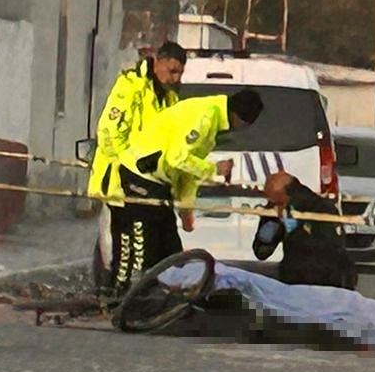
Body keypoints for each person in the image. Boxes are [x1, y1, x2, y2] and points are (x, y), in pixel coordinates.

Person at [111, 87, 263, 288]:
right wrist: (215, 169)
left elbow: (187, 172)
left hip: (159, 180)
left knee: (170, 244)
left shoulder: (214, 119)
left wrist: (185, 209)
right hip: (140, 173)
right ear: (241, 120)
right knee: (146, 242)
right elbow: (178, 158)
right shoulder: (206, 116)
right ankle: (125, 294)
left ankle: (168, 292)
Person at [92, 42, 187, 297]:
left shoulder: (169, 98)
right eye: (171, 71)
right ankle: (120, 297)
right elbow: (108, 132)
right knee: (130, 251)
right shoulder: (131, 87)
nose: (175, 78)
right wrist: (131, 169)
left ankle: (166, 294)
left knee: (167, 245)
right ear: (157, 62)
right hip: (125, 184)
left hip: (156, 185)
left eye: (180, 73)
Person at [253, 170, 357, 290]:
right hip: (297, 278)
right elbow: (261, 252)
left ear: (284, 195)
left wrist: (295, 229)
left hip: (327, 280)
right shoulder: (275, 210)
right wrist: (272, 224)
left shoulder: (321, 208)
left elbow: (330, 248)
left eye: (273, 198)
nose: (270, 202)